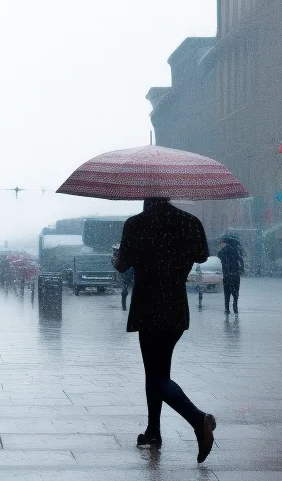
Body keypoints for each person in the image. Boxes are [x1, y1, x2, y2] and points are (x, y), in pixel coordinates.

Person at [114, 197, 216, 463]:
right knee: (159, 372)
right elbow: (202, 255)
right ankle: (153, 431)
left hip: (148, 305)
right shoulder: (189, 222)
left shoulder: (136, 224)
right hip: (176, 306)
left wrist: (119, 258)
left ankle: (198, 420)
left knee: (155, 375)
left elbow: (123, 264)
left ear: (146, 196)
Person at [218, 239, 244, 314]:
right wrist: (241, 269)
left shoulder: (222, 251)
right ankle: (235, 306)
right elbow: (241, 261)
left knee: (227, 292)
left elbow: (218, 257)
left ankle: (227, 309)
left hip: (226, 274)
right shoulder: (236, 251)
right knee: (235, 291)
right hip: (235, 274)